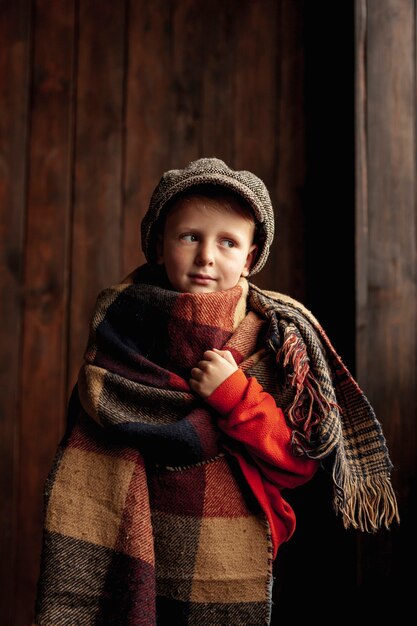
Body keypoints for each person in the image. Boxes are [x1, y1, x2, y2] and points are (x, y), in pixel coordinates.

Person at [34, 157, 399, 626]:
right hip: (127, 529)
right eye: (190, 237)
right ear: (160, 247)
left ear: (249, 258)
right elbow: (91, 425)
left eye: (227, 242)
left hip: (228, 544)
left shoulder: (272, 338)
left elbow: (298, 462)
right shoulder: (121, 324)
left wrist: (234, 394)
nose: (207, 255)